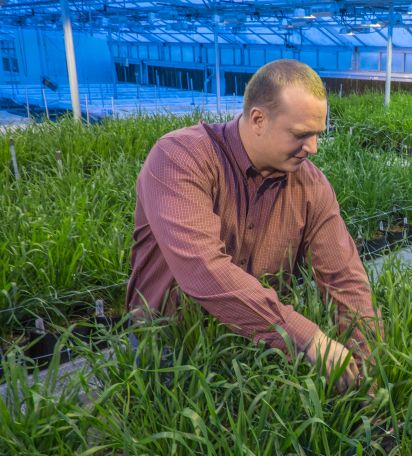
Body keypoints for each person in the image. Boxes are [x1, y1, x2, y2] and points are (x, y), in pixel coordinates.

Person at [126, 59, 382, 392]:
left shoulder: (312, 186)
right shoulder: (181, 157)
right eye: (301, 134)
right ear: (258, 119)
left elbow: (345, 279)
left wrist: (368, 372)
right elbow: (204, 270)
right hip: (170, 349)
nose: (313, 148)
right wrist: (308, 338)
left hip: (258, 349)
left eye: (318, 134)